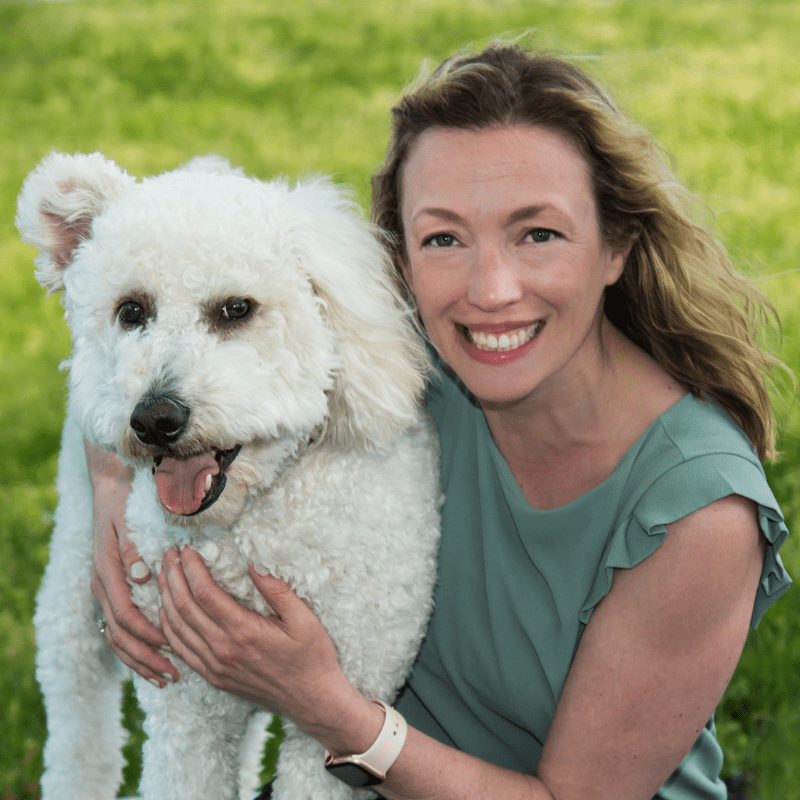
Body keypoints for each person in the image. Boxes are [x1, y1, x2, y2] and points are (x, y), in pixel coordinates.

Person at [89, 44, 792, 799]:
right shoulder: (390, 347)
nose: (490, 290)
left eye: (538, 234)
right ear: (396, 258)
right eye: (445, 239)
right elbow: (149, 355)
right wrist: (113, 508)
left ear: (616, 243)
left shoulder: (698, 512)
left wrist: (328, 709)